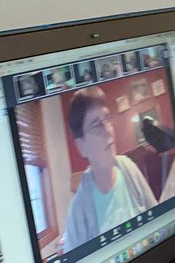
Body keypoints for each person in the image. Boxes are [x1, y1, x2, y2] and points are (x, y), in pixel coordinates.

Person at [63, 87, 157, 253]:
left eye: (107, 119)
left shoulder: (128, 168)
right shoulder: (78, 212)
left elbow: (158, 221)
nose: (107, 130)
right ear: (81, 146)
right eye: (96, 125)